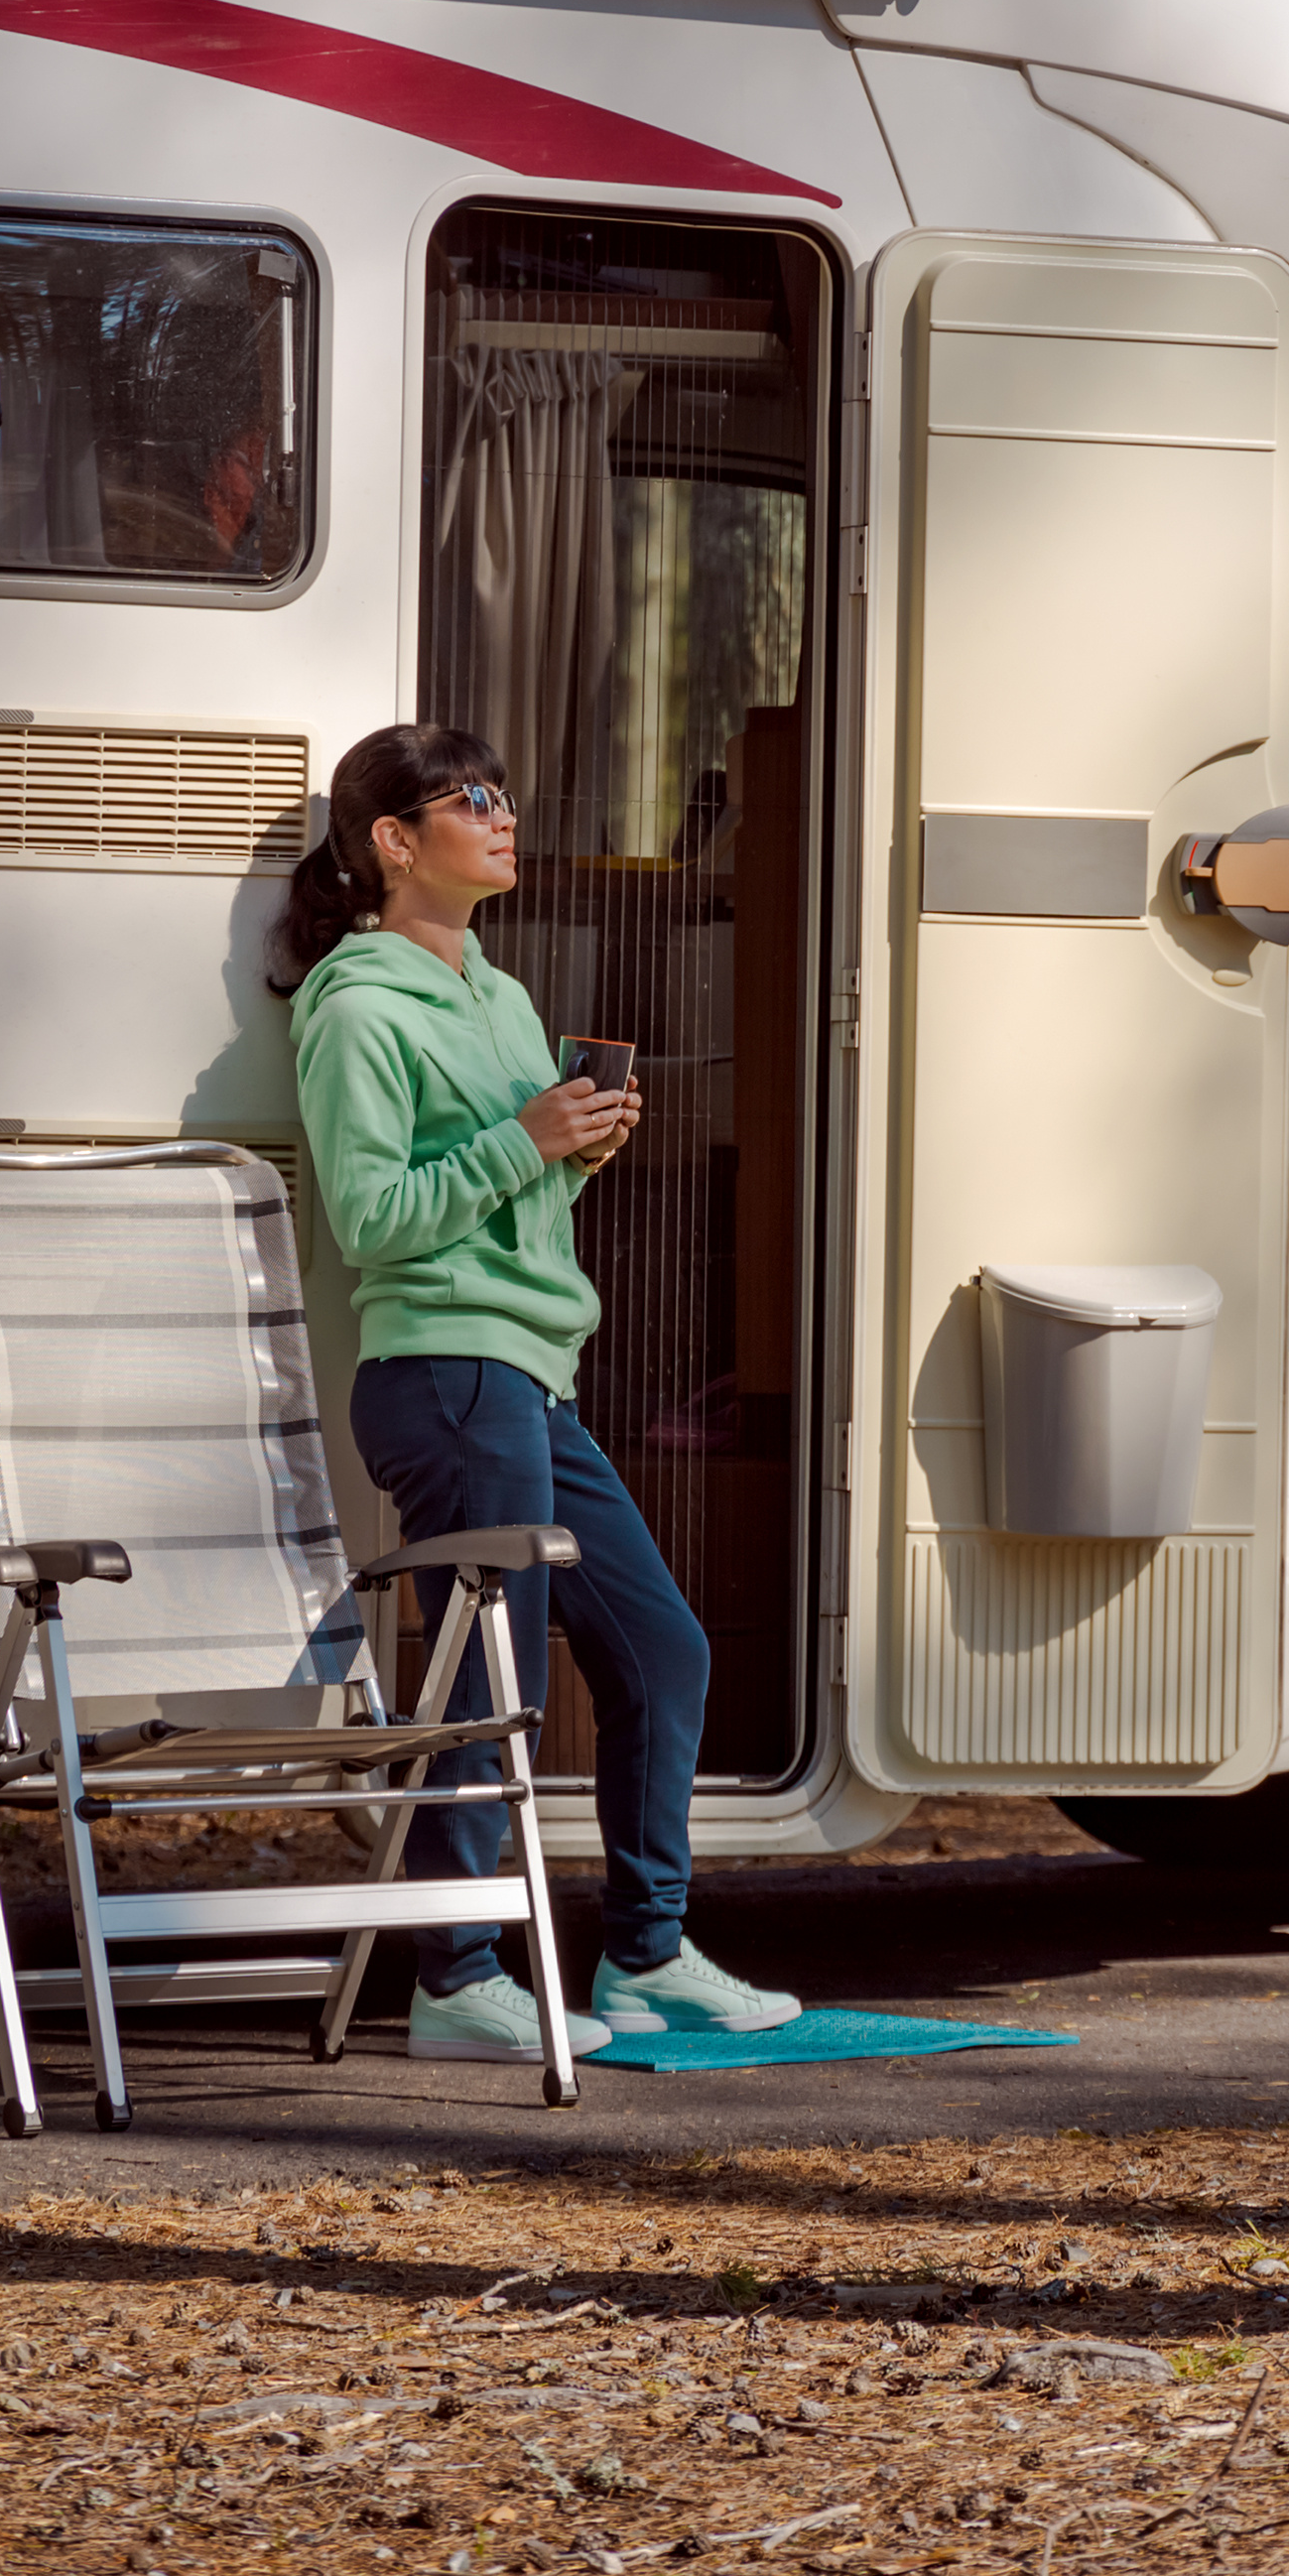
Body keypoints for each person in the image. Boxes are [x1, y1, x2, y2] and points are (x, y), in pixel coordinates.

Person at [278, 722, 802, 2061]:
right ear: (397, 842)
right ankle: (455, 1974)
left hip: (529, 1374)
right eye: (475, 799)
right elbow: (374, 1218)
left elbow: (499, 1195)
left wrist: (571, 1150)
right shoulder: (356, 1005)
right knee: (489, 1676)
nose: (505, 817)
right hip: (447, 1376)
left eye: (505, 793)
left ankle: (645, 1958)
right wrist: (525, 1141)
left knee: (662, 1649)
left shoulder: (500, 997)